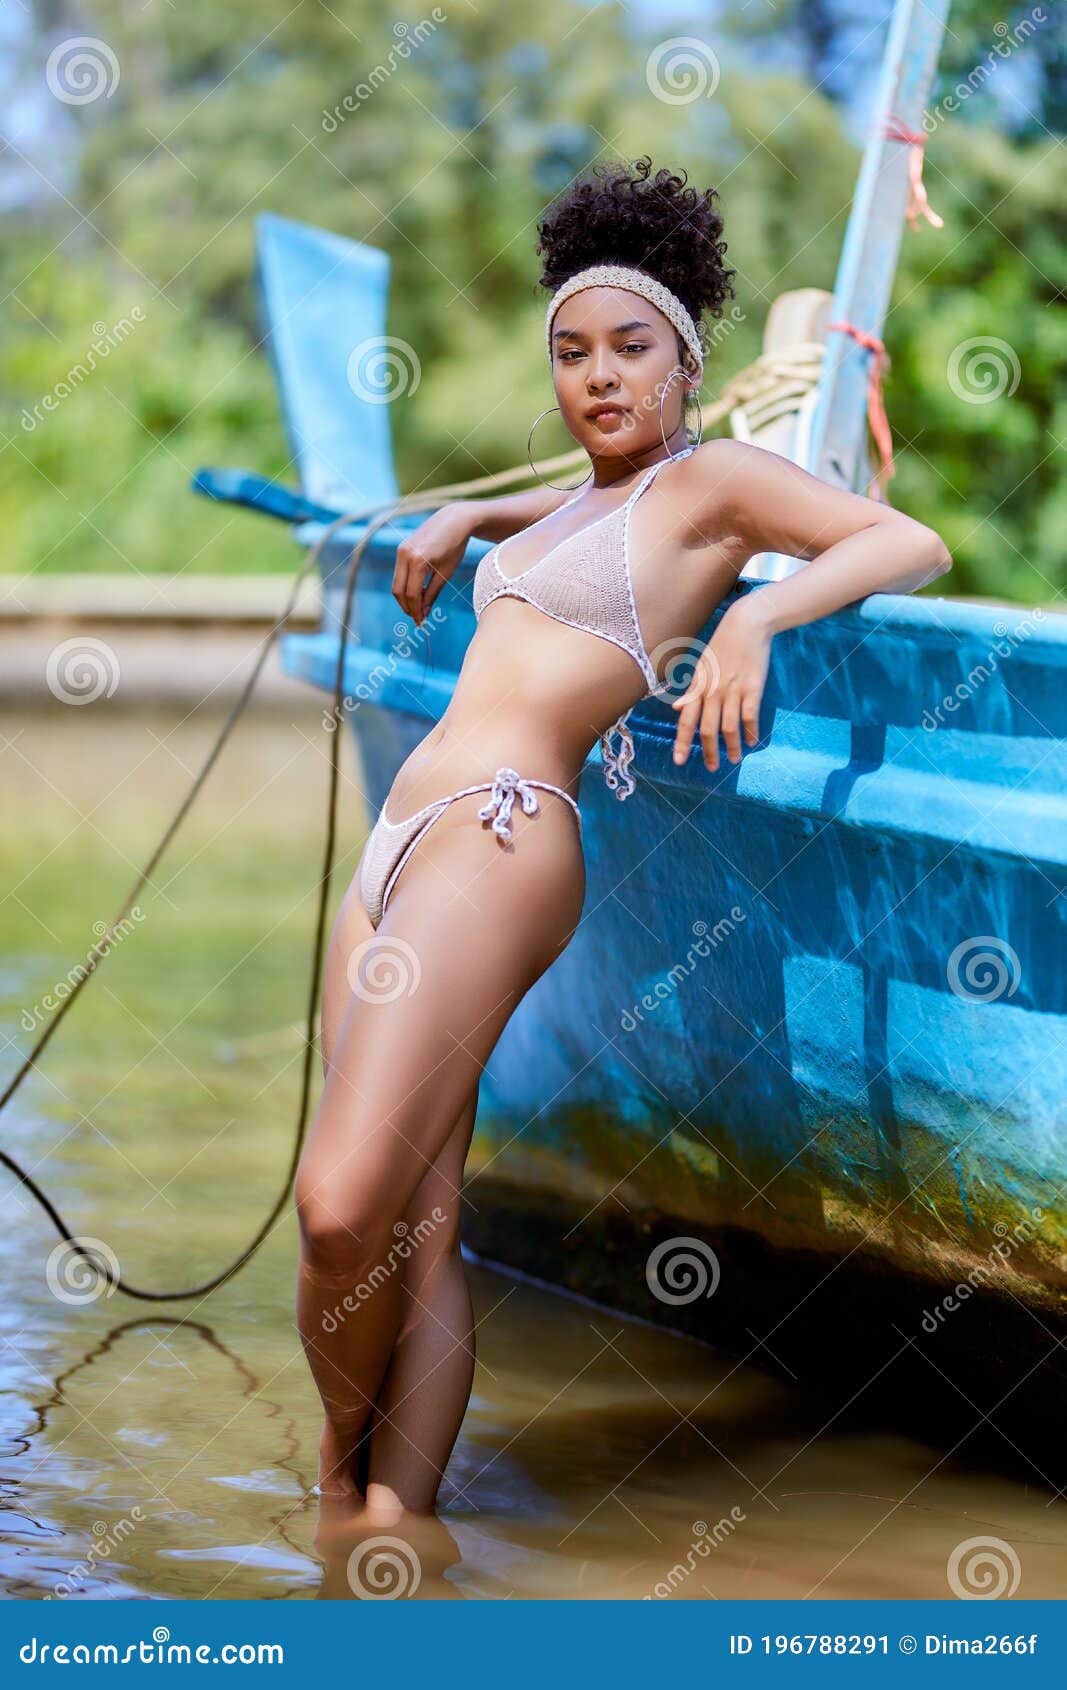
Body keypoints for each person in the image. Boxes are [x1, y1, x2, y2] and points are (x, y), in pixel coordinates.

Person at [293, 156, 951, 1521]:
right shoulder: (576, 507)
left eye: (629, 348)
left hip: (501, 838)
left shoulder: (711, 484)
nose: (597, 374)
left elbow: (909, 539)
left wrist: (761, 617)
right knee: (408, 1231)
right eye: (571, 351)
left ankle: (333, 1490)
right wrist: (476, 512)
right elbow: (578, 529)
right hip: (396, 846)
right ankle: (378, 1533)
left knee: (339, 1205)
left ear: (686, 360)